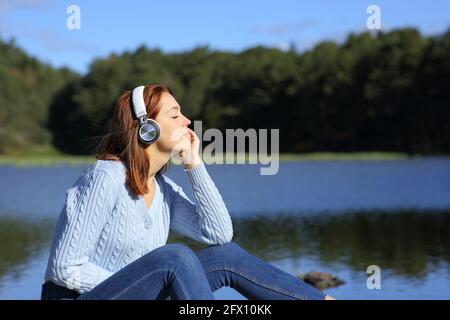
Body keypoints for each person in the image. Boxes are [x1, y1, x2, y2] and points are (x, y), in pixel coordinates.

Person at [41, 83, 335, 300]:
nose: (187, 121)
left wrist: (194, 164)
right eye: (175, 115)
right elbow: (64, 269)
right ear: (147, 128)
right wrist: (144, 288)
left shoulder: (163, 189)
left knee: (225, 256)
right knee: (175, 258)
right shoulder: (105, 177)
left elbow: (219, 234)